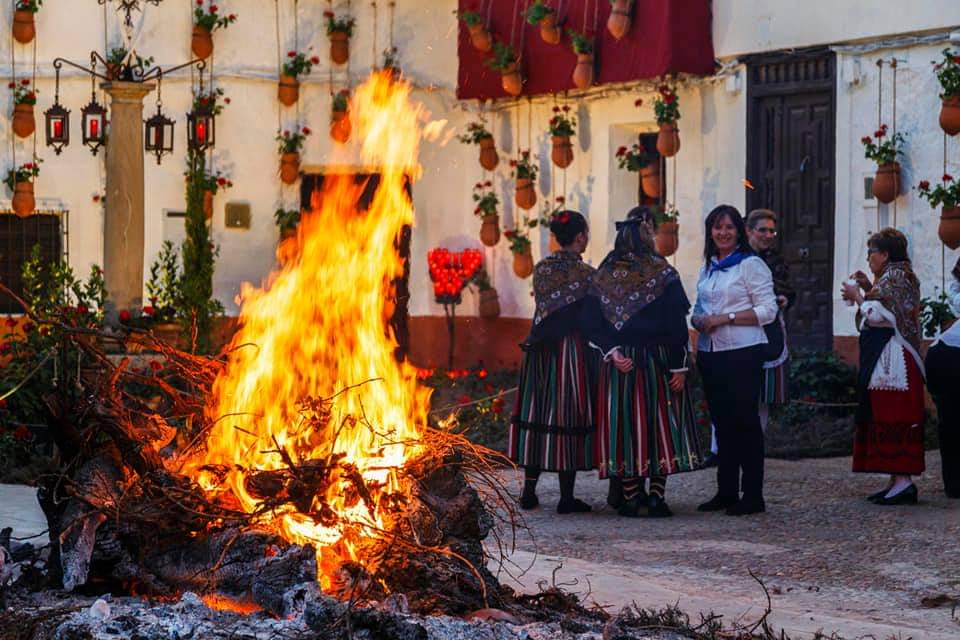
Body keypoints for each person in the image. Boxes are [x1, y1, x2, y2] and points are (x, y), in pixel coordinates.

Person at [581, 206, 702, 518]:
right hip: (655, 361)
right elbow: (677, 322)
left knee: (628, 429)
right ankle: (653, 498)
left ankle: (636, 498)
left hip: (626, 364)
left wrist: (612, 351)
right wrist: (679, 365)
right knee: (657, 426)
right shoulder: (663, 272)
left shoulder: (605, 272)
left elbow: (592, 323)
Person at [692, 205, 778, 516]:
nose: (723, 233)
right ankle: (726, 490)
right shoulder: (708, 267)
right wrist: (699, 319)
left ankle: (753, 494)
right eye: (717, 227)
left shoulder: (750, 265)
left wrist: (725, 318)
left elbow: (768, 310)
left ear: (738, 231)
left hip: (743, 351)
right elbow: (701, 308)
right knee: (722, 423)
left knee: (746, 423)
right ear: (710, 231)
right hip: (711, 353)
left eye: (729, 227)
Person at [509, 210, 596, 513]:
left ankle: (529, 493)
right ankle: (566, 497)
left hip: (539, 348)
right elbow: (588, 314)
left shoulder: (542, 268)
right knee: (565, 414)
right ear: (581, 236)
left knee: (537, 411)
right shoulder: (587, 274)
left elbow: (547, 306)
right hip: (568, 350)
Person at [842, 228, 925, 505]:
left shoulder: (898, 277)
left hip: (894, 359)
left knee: (893, 415)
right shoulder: (893, 276)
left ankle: (903, 482)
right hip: (889, 357)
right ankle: (896, 480)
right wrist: (867, 288)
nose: (868, 258)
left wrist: (857, 296)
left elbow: (879, 315)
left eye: (871, 252)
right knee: (884, 413)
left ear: (885, 254)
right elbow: (887, 306)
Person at [924, 257, 960, 499]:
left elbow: (955, 292)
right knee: (951, 423)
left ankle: (954, 484)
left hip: (944, 354)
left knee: (951, 424)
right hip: (949, 356)